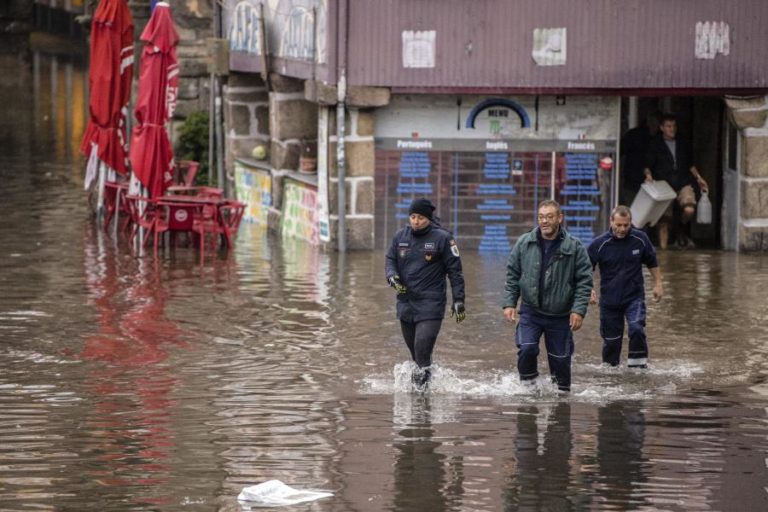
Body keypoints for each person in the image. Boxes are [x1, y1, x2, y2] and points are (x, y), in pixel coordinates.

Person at [502, 199, 592, 393]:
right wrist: (509, 303)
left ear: (560, 218)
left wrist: (578, 310)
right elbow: (512, 274)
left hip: (560, 315)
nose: (544, 221)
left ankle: (561, 405)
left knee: (560, 363)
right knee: (527, 349)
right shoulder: (524, 242)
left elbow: (584, 282)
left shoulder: (575, 247)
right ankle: (529, 390)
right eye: (541, 217)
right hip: (530, 312)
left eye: (549, 217)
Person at [385, 198, 466, 389]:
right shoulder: (400, 237)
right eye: (412, 217)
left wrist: (459, 300)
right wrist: (392, 277)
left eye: (420, 217)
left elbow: (455, 272)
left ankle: (420, 399)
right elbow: (390, 260)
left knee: (422, 348)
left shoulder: (443, 238)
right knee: (416, 355)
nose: (415, 221)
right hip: (406, 303)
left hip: (431, 304)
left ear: (428, 218)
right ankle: (426, 391)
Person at [588, 205, 662, 368]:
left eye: (626, 225)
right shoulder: (599, 244)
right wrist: (589, 289)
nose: (622, 229)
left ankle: (638, 369)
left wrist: (658, 283)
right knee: (611, 342)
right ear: (611, 222)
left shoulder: (640, 239)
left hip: (634, 297)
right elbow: (586, 268)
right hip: (609, 301)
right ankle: (611, 372)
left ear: (630, 223)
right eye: (618, 225)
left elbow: (652, 261)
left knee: (636, 329)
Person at [643, 113, 709, 249]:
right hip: (663, 185)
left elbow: (691, 164)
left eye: (673, 126)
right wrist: (648, 176)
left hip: (683, 181)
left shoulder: (682, 142)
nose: (672, 129)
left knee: (689, 209)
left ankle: (680, 228)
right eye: (668, 126)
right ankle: (664, 254)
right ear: (661, 128)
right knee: (664, 222)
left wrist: (699, 178)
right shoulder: (655, 144)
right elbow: (647, 164)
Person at [620, 111, 660, 205]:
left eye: (657, 123)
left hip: (653, 184)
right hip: (633, 183)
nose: (655, 126)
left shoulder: (660, 139)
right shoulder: (633, 136)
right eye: (653, 122)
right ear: (648, 122)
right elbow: (619, 152)